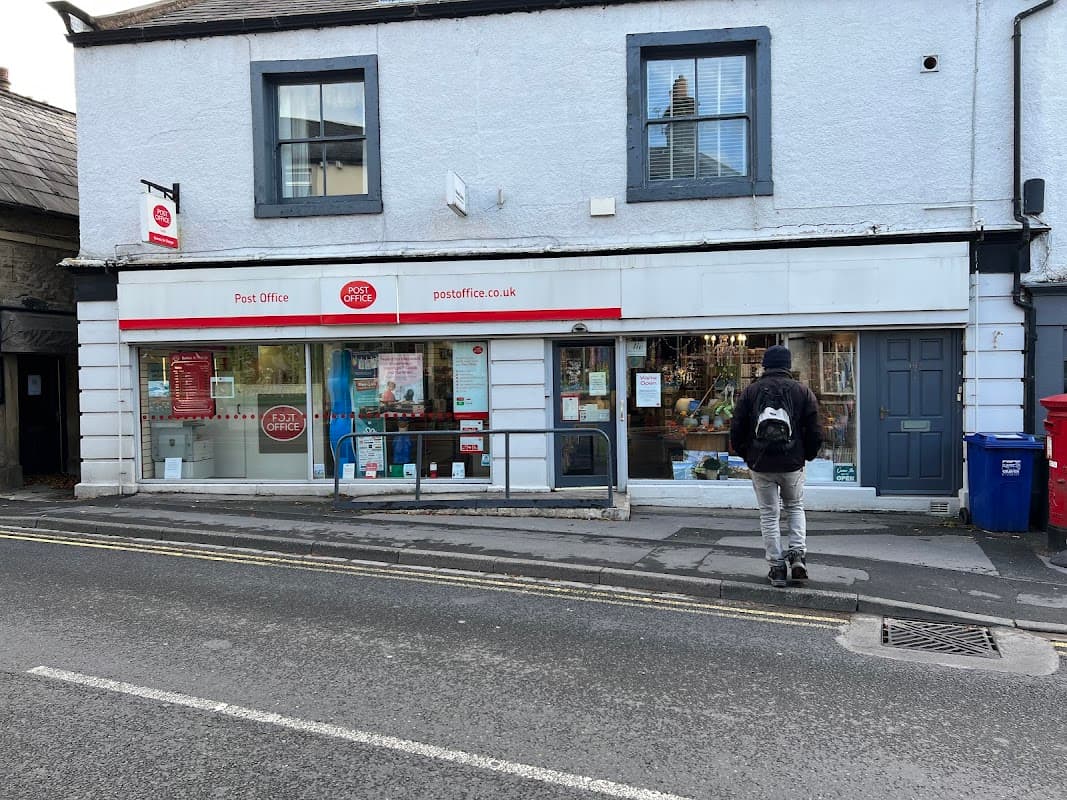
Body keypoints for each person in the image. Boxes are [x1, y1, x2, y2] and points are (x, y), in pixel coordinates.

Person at [729, 345, 822, 588]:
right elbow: (814, 431)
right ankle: (798, 557)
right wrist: (807, 455)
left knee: (769, 515)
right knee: (795, 507)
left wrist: (747, 455)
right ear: (788, 365)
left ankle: (777, 567)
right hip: (792, 463)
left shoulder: (750, 392)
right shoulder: (803, 391)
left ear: (765, 365)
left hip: (761, 464)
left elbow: (736, 430)